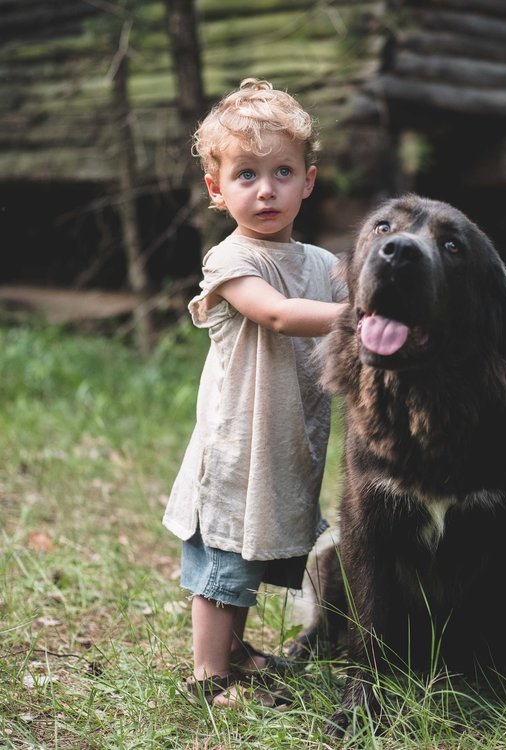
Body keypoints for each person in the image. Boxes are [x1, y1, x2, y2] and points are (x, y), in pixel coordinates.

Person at [163, 78, 348, 707]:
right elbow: (275, 315)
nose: (265, 189)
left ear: (309, 181)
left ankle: (237, 653)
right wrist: (362, 318)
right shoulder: (230, 261)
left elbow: (354, 288)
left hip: (285, 442)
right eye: (245, 174)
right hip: (236, 446)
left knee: (252, 555)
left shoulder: (323, 265)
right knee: (222, 569)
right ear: (217, 189)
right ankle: (209, 678)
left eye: (282, 172)